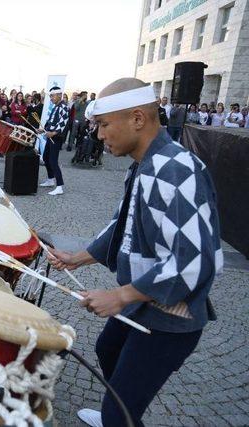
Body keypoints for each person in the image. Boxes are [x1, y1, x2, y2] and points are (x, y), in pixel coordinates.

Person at [49, 78, 222, 427]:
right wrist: (77, 258)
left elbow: (195, 260)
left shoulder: (174, 169)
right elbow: (125, 224)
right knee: (107, 349)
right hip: (144, 300)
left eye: (104, 125)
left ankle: (121, 414)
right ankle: (122, 408)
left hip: (171, 315)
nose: (99, 135)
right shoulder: (146, 163)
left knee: (120, 413)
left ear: (138, 119)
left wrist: (121, 294)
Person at [38, 86, 69, 196]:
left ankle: (59, 186)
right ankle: (51, 179)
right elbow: (51, 122)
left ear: (59, 95)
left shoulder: (63, 107)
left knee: (53, 160)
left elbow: (63, 122)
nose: (50, 98)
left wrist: (53, 133)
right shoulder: (56, 106)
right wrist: (43, 129)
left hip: (56, 137)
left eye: (52, 96)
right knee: (46, 157)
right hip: (50, 136)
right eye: (50, 96)